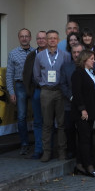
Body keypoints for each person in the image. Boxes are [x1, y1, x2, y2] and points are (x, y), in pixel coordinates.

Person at [33, 30, 71, 162]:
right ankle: (47, 152)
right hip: (46, 92)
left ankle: (61, 152)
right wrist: (44, 84)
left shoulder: (65, 55)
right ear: (46, 40)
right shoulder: (40, 56)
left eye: (55, 38)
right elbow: (36, 75)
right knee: (47, 124)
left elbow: (67, 73)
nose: (52, 41)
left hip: (60, 92)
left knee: (61, 124)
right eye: (50, 38)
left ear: (58, 40)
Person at [71, 50, 95, 178]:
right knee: (85, 140)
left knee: (87, 138)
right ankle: (89, 166)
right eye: (91, 59)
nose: (94, 61)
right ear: (84, 60)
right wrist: (82, 109)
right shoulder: (78, 73)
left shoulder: (91, 73)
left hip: (92, 112)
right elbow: (77, 93)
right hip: (82, 113)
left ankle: (79, 165)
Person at [6, 28, 35, 155]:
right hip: (20, 86)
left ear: (30, 38)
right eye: (22, 36)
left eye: (26, 36)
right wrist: (11, 92)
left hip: (34, 86)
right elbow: (9, 74)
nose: (24, 38)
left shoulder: (36, 52)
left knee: (38, 115)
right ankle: (24, 143)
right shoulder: (13, 53)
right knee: (21, 116)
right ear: (19, 38)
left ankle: (39, 143)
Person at [22, 31, 48, 159]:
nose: (41, 40)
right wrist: (30, 91)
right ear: (36, 40)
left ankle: (49, 149)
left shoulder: (54, 54)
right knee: (38, 122)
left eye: (44, 38)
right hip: (37, 91)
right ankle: (38, 150)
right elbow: (26, 74)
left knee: (49, 122)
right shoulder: (32, 55)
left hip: (51, 91)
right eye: (39, 38)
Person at [60, 43, 84, 160]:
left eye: (78, 52)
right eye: (74, 52)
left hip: (85, 105)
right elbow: (63, 85)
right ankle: (71, 150)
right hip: (69, 104)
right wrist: (71, 97)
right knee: (69, 129)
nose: (76, 55)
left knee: (83, 130)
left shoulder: (91, 66)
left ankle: (82, 152)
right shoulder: (66, 67)